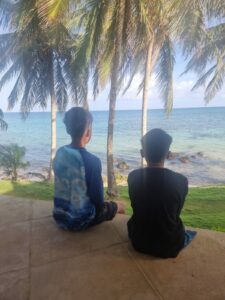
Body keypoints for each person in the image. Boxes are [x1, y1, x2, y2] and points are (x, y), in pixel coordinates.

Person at [127, 128, 196, 258]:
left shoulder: (133, 177)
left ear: (142, 153)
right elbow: (175, 214)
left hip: (139, 242)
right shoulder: (181, 181)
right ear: (168, 155)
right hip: (169, 245)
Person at [53, 107, 124, 231]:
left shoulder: (60, 153)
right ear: (88, 132)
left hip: (59, 215)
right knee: (118, 205)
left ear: (67, 129)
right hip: (80, 220)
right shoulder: (92, 161)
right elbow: (98, 201)